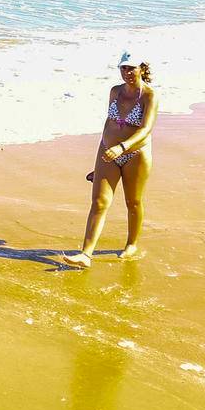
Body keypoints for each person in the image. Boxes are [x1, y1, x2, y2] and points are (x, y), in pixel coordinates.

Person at [64, 51, 159, 267]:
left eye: (131, 68)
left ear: (142, 68)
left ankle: (131, 244)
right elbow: (109, 122)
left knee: (132, 202)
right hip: (107, 152)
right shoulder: (115, 91)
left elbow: (146, 129)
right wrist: (100, 161)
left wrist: (122, 147)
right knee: (99, 202)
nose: (126, 72)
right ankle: (85, 255)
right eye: (123, 68)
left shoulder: (149, 96)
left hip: (136, 153)